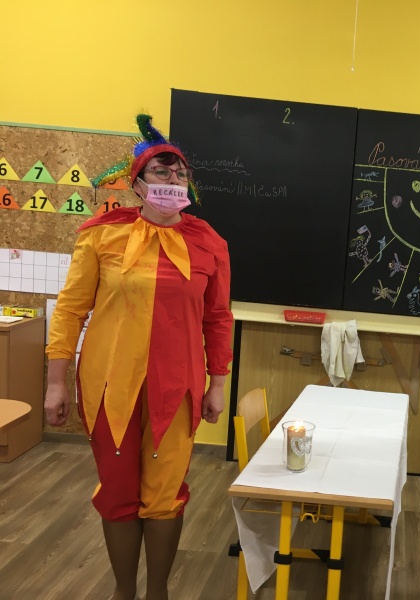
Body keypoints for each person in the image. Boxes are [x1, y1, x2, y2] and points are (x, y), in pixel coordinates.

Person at [44, 114, 233, 600]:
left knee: (165, 492)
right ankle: (123, 591)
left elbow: (218, 318)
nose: (173, 180)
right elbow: (70, 310)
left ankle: (158, 593)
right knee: (117, 488)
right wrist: (56, 382)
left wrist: (218, 384)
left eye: (181, 173)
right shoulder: (101, 235)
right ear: (137, 184)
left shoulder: (209, 243)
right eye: (161, 171)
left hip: (178, 387)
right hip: (109, 383)